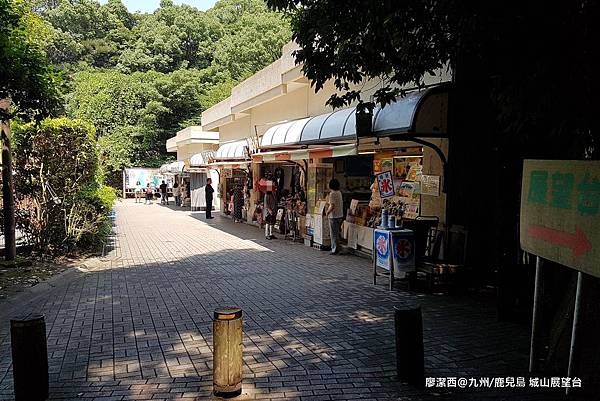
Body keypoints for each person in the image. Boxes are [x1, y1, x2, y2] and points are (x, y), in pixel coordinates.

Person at [326, 178, 344, 255]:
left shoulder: (332, 194)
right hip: (340, 215)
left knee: (333, 233)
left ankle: (335, 249)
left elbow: (332, 205)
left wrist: (327, 212)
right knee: (337, 233)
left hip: (333, 216)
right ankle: (338, 248)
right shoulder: (339, 193)